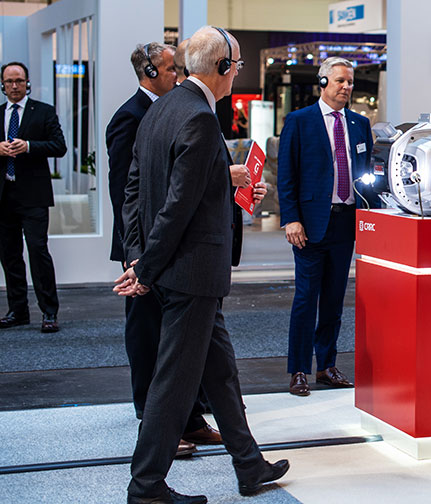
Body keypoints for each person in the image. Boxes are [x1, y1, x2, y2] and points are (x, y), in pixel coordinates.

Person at [116, 26, 288, 503]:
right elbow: (178, 206)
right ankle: (146, 486)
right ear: (222, 67)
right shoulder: (197, 116)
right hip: (190, 272)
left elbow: (136, 191)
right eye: (237, 65)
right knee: (173, 383)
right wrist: (145, 268)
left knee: (220, 372)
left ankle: (249, 464)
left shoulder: (163, 107)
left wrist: (140, 255)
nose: (237, 72)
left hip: (180, 270)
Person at [107, 42, 234, 457]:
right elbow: (134, 194)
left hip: (168, 254)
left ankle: (237, 453)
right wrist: (140, 259)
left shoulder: (168, 109)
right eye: (168, 69)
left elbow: (163, 186)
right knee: (156, 349)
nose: (175, 75)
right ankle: (149, 465)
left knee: (214, 365)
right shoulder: (147, 115)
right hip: (163, 255)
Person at [278, 56, 378, 396]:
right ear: (323, 83)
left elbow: (367, 175)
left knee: (334, 299)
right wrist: (291, 218)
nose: (346, 87)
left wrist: (374, 215)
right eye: (340, 81)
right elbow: (287, 175)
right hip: (309, 225)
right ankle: (298, 370)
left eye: (350, 82)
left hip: (345, 222)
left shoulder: (360, 124)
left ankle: (326, 365)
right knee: (306, 299)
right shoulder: (299, 121)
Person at [0, 62, 66, 333]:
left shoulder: (44, 111)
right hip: (5, 195)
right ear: (2, 85)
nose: (14, 86)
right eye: (9, 81)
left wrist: (28, 146)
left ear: (27, 82)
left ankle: (49, 311)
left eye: (19, 80)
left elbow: (59, 146)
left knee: (38, 251)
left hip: (34, 196)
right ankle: (18, 311)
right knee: (9, 255)